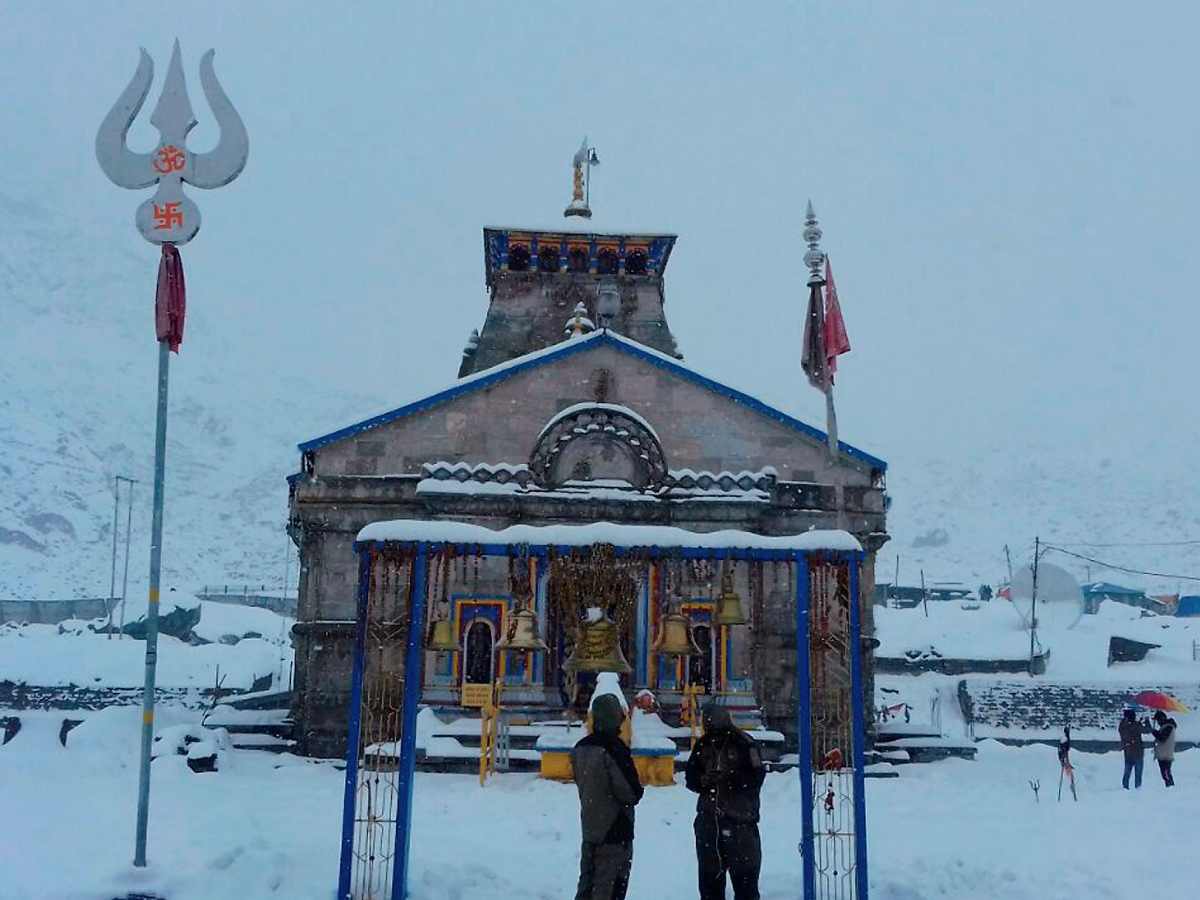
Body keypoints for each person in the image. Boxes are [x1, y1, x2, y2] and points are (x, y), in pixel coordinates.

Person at [685, 702, 766, 900]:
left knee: (745, 884)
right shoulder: (703, 744)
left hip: (740, 822)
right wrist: (704, 780)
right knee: (710, 884)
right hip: (710, 822)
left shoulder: (744, 742)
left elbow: (756, 777)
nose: (707, 724)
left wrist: (731, 779)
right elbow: (691, 778)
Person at [570, 693, 644, 900]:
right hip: (615, 829)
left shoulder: (580, 748)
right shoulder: (614, 749)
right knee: (609, 888)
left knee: (587, 883)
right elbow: (630, 792)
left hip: (591, 825)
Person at [1118, 707, 1147, 789]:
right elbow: (1146, 730)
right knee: (1138, 773)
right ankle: (1137, 788)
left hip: (1128, 752)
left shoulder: (1122, 726)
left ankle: (1125, 787)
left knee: (1127, 772)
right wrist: (1146, 722)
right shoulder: (1136, 725)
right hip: (1138, 752)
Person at [1150, 710, 1178, 787]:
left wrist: (1154, 732)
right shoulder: (1166, 726)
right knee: (1165, 773)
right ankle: (1169, 787)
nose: (1157, 722)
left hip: (1166, 754)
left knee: (1166, 773)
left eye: (1158, 720)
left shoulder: (1168, 727)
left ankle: (1170, 787)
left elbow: (1162, 738)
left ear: (1161, 719)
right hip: (1163, 753)